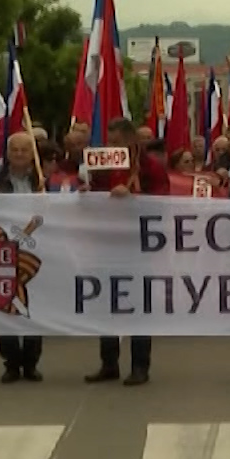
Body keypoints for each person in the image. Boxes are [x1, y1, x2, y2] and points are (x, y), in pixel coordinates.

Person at [86, 117, 170, 386]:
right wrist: (89, 192)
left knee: (139, 307)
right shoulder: (104, 162)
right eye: (110, 142)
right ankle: (108, 363)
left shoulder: (149, 166)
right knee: (107, 305)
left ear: (130, 139)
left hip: (138, 245)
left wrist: (134, 196)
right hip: (107, 243)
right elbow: (97, 191)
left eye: (117, 141)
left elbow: (162, 199)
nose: (112, 146)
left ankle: (140, 366)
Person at [0, 131, 46, 382]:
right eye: (14, 150)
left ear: (32, 153)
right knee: (5, 304)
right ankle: (11, 363)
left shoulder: (42, 179)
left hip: (35, 246)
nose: (19, 154)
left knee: (33, 305)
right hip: (3, 249)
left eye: (24, 150)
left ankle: (31, 362)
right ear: (7, 154)